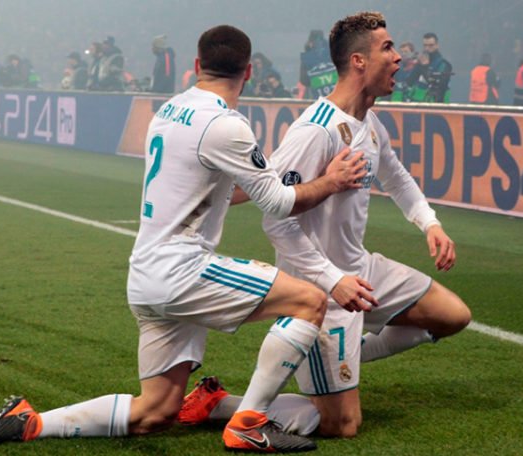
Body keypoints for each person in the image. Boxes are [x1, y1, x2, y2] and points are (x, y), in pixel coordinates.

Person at [0, 24, 369, 453]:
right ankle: (248, 422)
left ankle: (30, 422)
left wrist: (267, 179)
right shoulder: (225, 124)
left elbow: (217, 189)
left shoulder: (169, 110)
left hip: (146, 276)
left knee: (154, 411)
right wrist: (331, 181)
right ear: (248, 72)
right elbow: (279, 203)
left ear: (196, 65)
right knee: (310, 301)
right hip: (182, 271)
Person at [178, 11, 471, 439]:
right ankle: (220, 403)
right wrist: (334, 280)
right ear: (358, 61)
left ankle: (346, 357)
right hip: (321, 287)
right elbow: (277, 222)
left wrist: (430, 224)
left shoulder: (369, 123)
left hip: (360, 270)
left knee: (452, 316)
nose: (398, 58)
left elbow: (396, 176)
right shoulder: (316, 131)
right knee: (342, 425)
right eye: (387, 48)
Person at [407, 32, 453, 103]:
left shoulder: (444, 65)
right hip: (417, 104)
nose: (427, 48)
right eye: (425, 45)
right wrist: (418, 65)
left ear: (437, 45)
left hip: (436, 105)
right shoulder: (421, 62)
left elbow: (439, 86)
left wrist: (425, 67)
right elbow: (410, 82)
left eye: (431, 45)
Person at [299, 30, 337, 99]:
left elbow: (304, 80)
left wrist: (315, 81)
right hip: (337, 96)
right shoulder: (333, 53)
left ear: (310, 42)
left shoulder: (307, 58)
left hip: (318, 97)